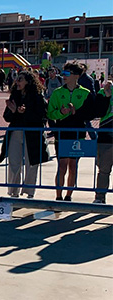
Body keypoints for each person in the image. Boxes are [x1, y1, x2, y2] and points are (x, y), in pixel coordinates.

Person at [47, 62, 100, 201]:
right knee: (62, 166)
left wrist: (77, 113)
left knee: (73, 166)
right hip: (62, 133)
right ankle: (58, 196)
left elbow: (91, 114)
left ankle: (68, 196)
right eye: (63, 73)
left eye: (66, 74)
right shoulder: (58, 93)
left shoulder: (85, 93)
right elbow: (50, 114)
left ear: (76, 76)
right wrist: (61, 112)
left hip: (78, 133)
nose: (63, 76)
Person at [1, 71, 49, 198]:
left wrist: (25, 112)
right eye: (17, 79)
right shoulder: (15, 96)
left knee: (32, 163)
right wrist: (13, 111)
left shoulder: (38, 96)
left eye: (20, 79)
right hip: (16, 131)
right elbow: (7, 117)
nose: (17, 82)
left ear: (28, 81)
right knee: (14, 163)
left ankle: (29, 191)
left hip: (32, 134)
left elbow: (42, 116)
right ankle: (13, 191)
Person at [94, 81, 113, 203]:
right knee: (104, 170)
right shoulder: (103, 91)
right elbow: (98, 113)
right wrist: (107, 96)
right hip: (106, 137)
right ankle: (100, 198)